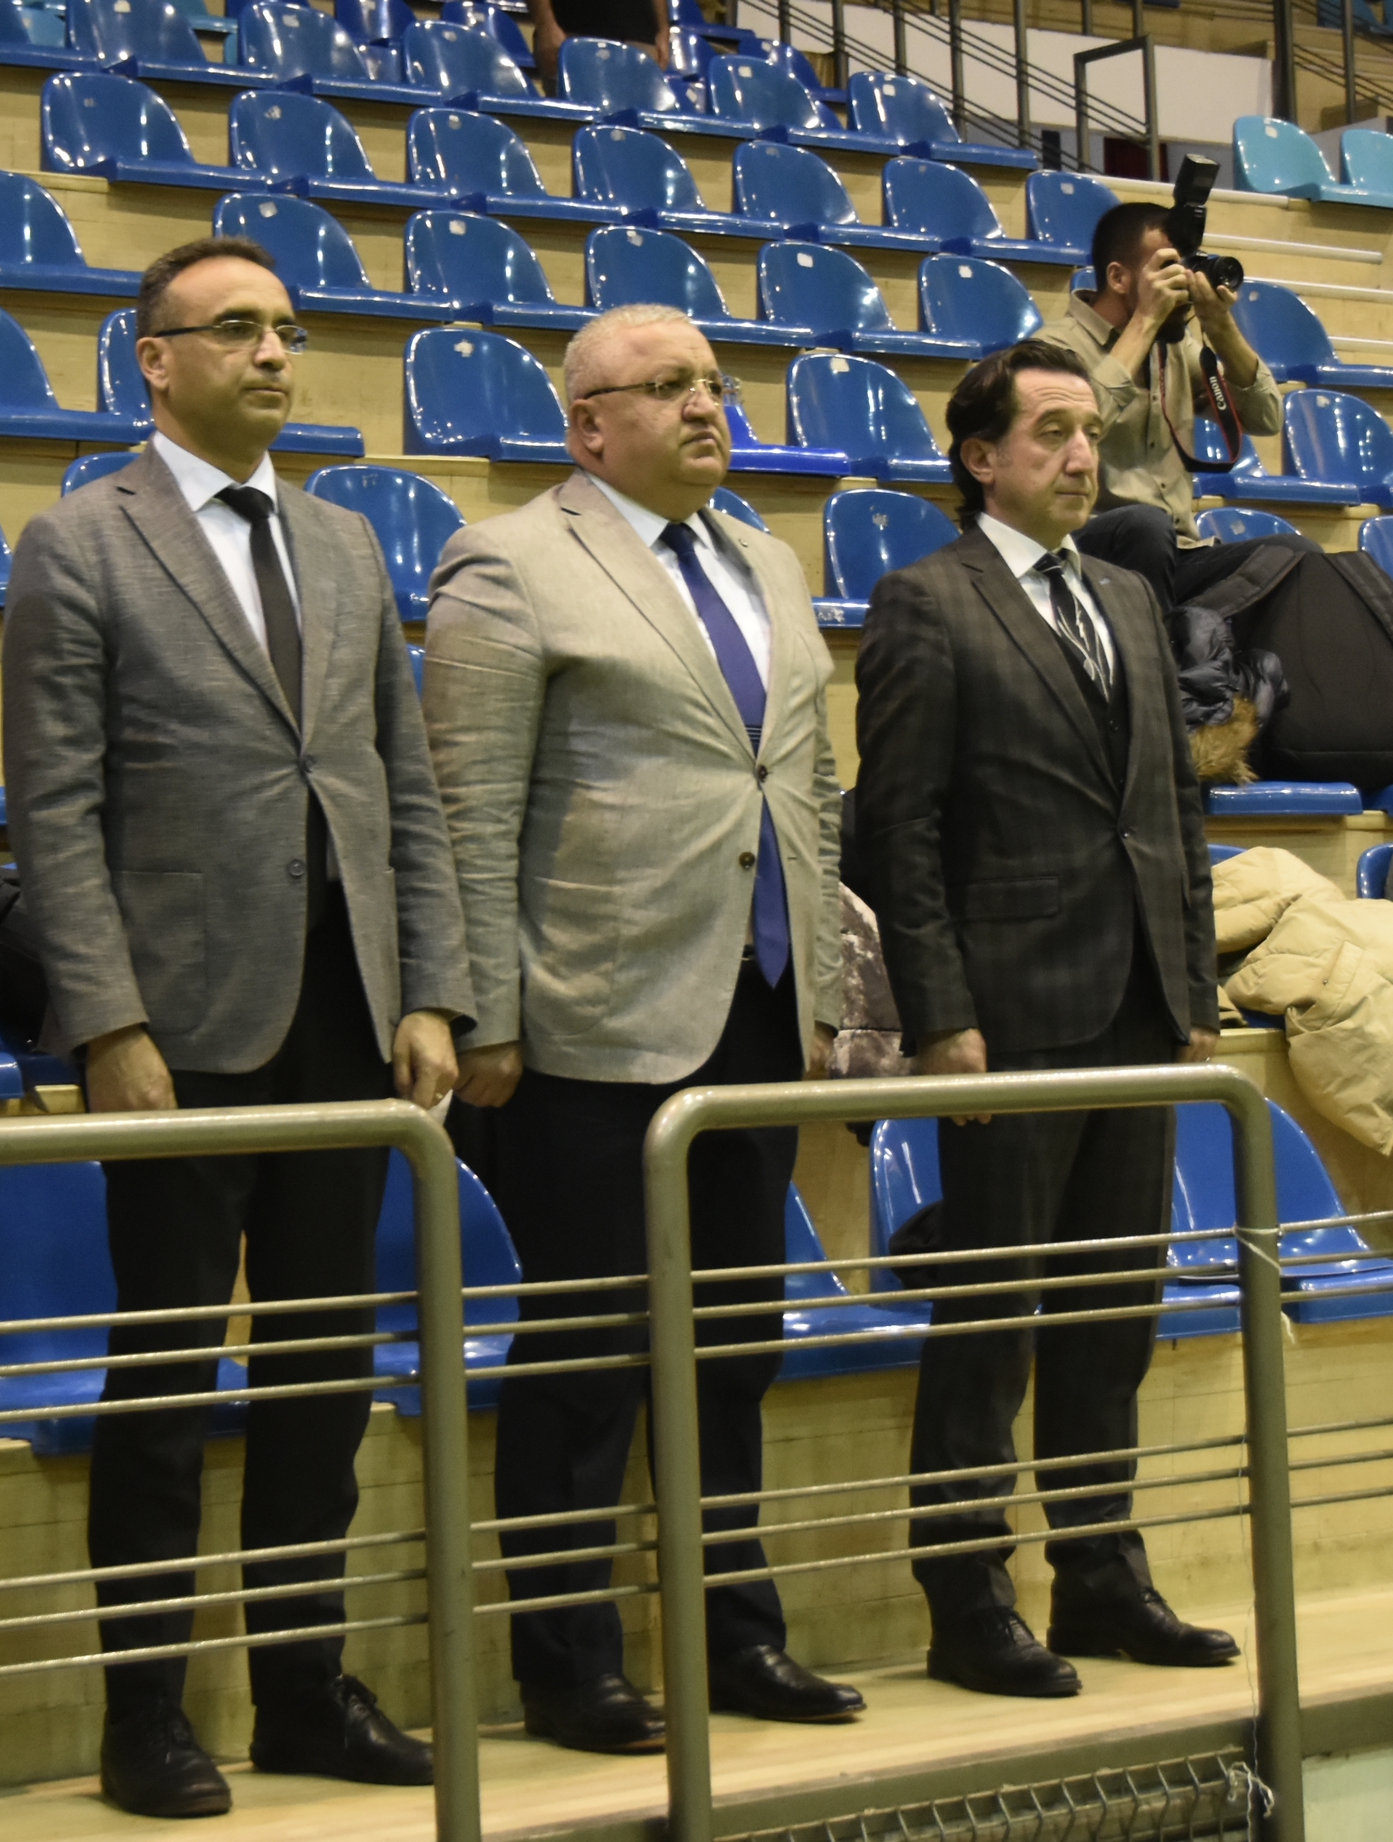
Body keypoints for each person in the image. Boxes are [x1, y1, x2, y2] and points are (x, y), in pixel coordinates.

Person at [2, 236, 473, 1820]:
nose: (275, 353)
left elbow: (402, 787)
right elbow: (55, 812)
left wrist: (428, 985)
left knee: (323, 1376)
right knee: (163, 1380)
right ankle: (144, 1714)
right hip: (179, 1029)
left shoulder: (343, 543)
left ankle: (301, 1689)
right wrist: (105, 1020)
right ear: (155, 359)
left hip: (347, 1018)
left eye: (286, 328)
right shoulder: (80, 541)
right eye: (237, 329)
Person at [423, 302, 862, 1755]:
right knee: (589, 1358)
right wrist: (484, 1013)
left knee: (733, 1348)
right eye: (665, 385)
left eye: (712, 381)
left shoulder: (766, 559)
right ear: (587, 426)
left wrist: (825, 996)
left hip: (756, 1011)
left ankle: (734, 1635)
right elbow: (470, 807)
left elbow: (805, 792)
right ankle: (569, 1667)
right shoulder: (509, 558)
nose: (702, 405)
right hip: (584, 1029)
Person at [854, 340, 1239, 1699]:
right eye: (1053, 433)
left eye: (1090, 432)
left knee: (1112, 1311)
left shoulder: (1128, 594)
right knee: (993, 1318)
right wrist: (939, 1013)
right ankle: (967, 1598)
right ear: (981, 459)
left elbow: (1174, 808)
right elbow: (896, 827)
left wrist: (1191, 983)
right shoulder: (926, 599)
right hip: (1007, 1017)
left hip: (1138, 1003)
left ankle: (1100, 1575)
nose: (1084, 455)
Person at [1039, 201, 1318, 611]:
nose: (1182, 280)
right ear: (1118, 277)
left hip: (1177, 551)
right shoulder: (1052, 349)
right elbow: (1076, 430)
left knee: (1297, 556)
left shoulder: (1175, 349)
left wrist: (1220, 325)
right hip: (1086, 549)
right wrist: (1145, 322)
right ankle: (1153, 652)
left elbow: (1266, 417)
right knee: (1145, 524)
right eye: (1167, 267)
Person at [530, 0, 669, 88]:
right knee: (577, 119)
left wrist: (663, 29)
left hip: (641, 37)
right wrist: (545, 25)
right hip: (573, 31)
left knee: (641, 123)